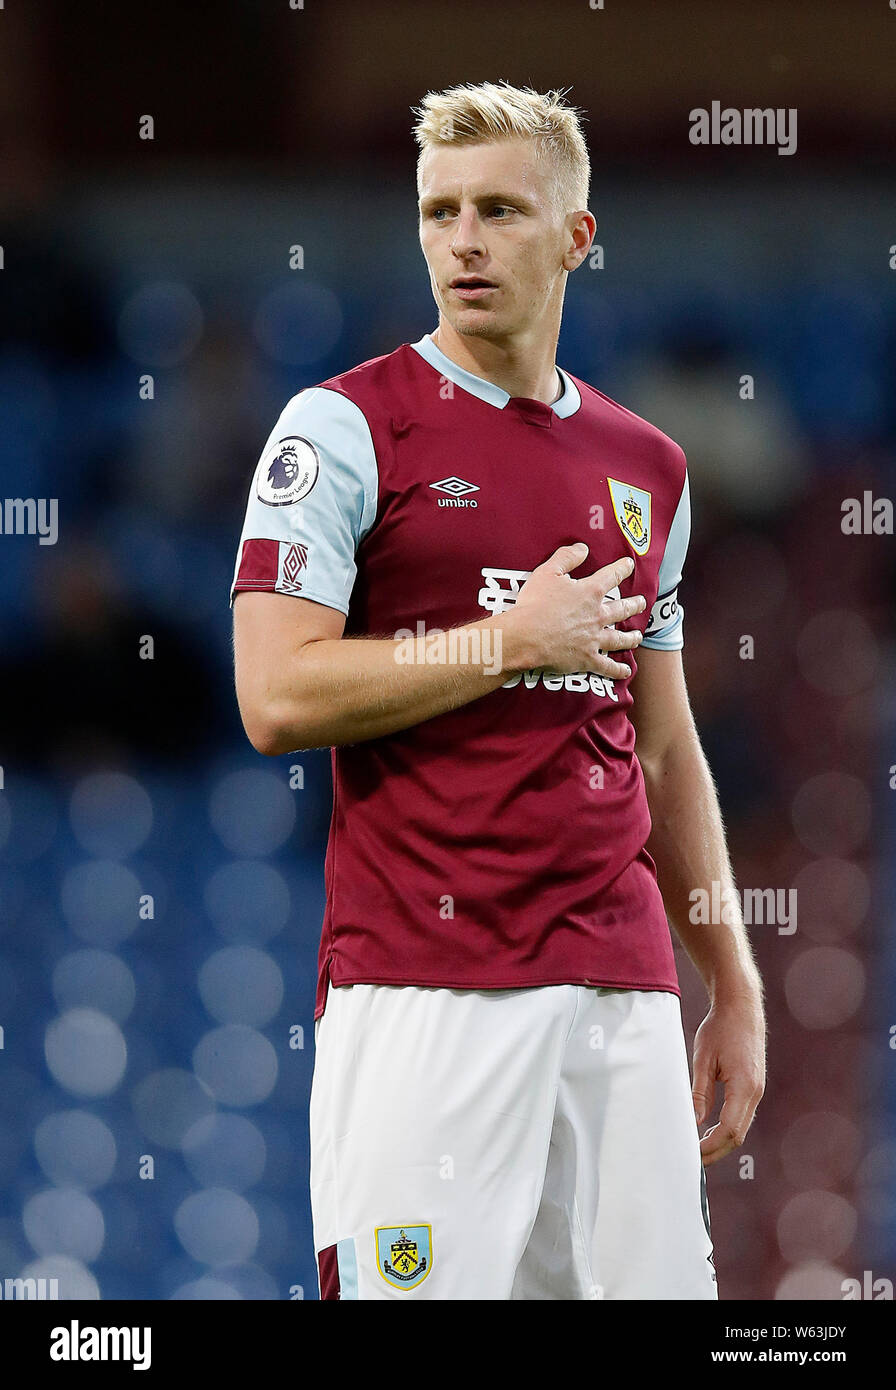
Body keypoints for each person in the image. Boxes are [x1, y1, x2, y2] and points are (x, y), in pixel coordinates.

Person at [231, 81, 766, 1300]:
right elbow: (272, 696)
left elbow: (667, 747)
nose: (462, 241)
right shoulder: (342, 429)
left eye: (500, 211)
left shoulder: (648, 466)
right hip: (424, 985)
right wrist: (502, 642)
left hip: (618, 990)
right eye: (439, 212)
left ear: (577, 236)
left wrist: (728, 979)